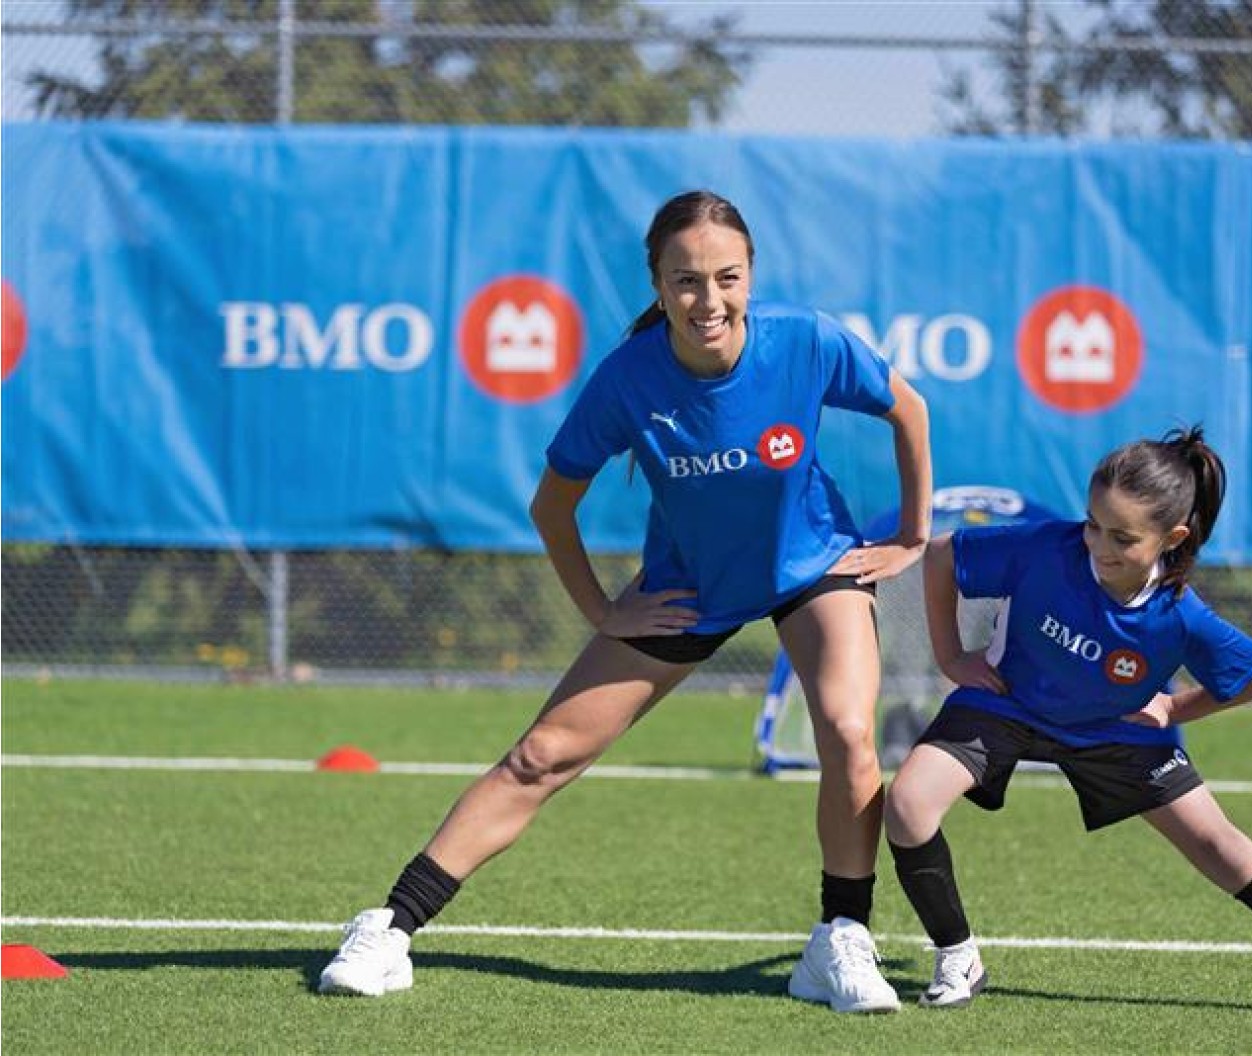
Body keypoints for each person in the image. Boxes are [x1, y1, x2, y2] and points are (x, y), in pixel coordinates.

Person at [318, 189, 931, 1014]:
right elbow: (552, 506)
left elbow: (908, 409)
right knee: (539, 756)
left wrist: (913, 536)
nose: (708, 300)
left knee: (851, 733)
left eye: (727, 278)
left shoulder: (805, 341)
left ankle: (839, 940)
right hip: (686, 590)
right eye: (686, 281)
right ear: (658, 285)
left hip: (812, 568)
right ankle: (390, 927)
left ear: (751, 277)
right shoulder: (627, 380)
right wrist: (605, 611)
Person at [883, 426, 1252, 1022]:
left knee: (1221, 846)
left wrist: (1174, 709)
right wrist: (951, 657)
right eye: (1093, 524)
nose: (1099, 546)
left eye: (1122, 537)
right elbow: (943, 554)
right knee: (908, 804)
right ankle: (958, 955)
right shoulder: (1046, 548)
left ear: (1172, 539)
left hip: (1115, 731)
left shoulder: (1179, 615)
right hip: (1007, 703)